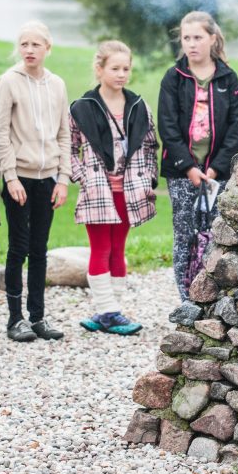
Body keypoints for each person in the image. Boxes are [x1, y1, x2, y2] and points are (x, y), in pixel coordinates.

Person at [69, 40, 158, 335]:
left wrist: (148, 180)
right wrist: (82, 176)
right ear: (99, 69)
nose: (121, 74)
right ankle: (109, 311)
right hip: (98, 190)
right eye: (115, 68)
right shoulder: (82, 108)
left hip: (129, 190)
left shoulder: (138, 105)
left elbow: (149, 146)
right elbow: (66, 148)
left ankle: (109, 310)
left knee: (118, 248)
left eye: (126, 68)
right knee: (101, 247)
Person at [158, 11, 238, 299]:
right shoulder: (174, 78)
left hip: (215, 175)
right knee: (185, 234)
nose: (192, 44)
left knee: (214, 234)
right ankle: (186, 297)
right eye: (187, 38)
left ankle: (209, 297)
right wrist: (188, 167)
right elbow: (168, 125)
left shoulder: (228, 78)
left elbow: (236, 127)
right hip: (182, 172)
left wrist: (217, 168)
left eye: (198, 37)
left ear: (212, 38)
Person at [0, 21, 70, 342]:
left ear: (47, 48)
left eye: (35, 45)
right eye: (24, 44)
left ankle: (37, 316)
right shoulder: (8, 81)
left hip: (47, 179)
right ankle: (15, 319)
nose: (29, 50)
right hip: (19, 180)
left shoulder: (57, 85)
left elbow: (64, 133)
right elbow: (0, 133)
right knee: (18, 248)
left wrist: (63, 178)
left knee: (40, 250)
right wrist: (10, 177)